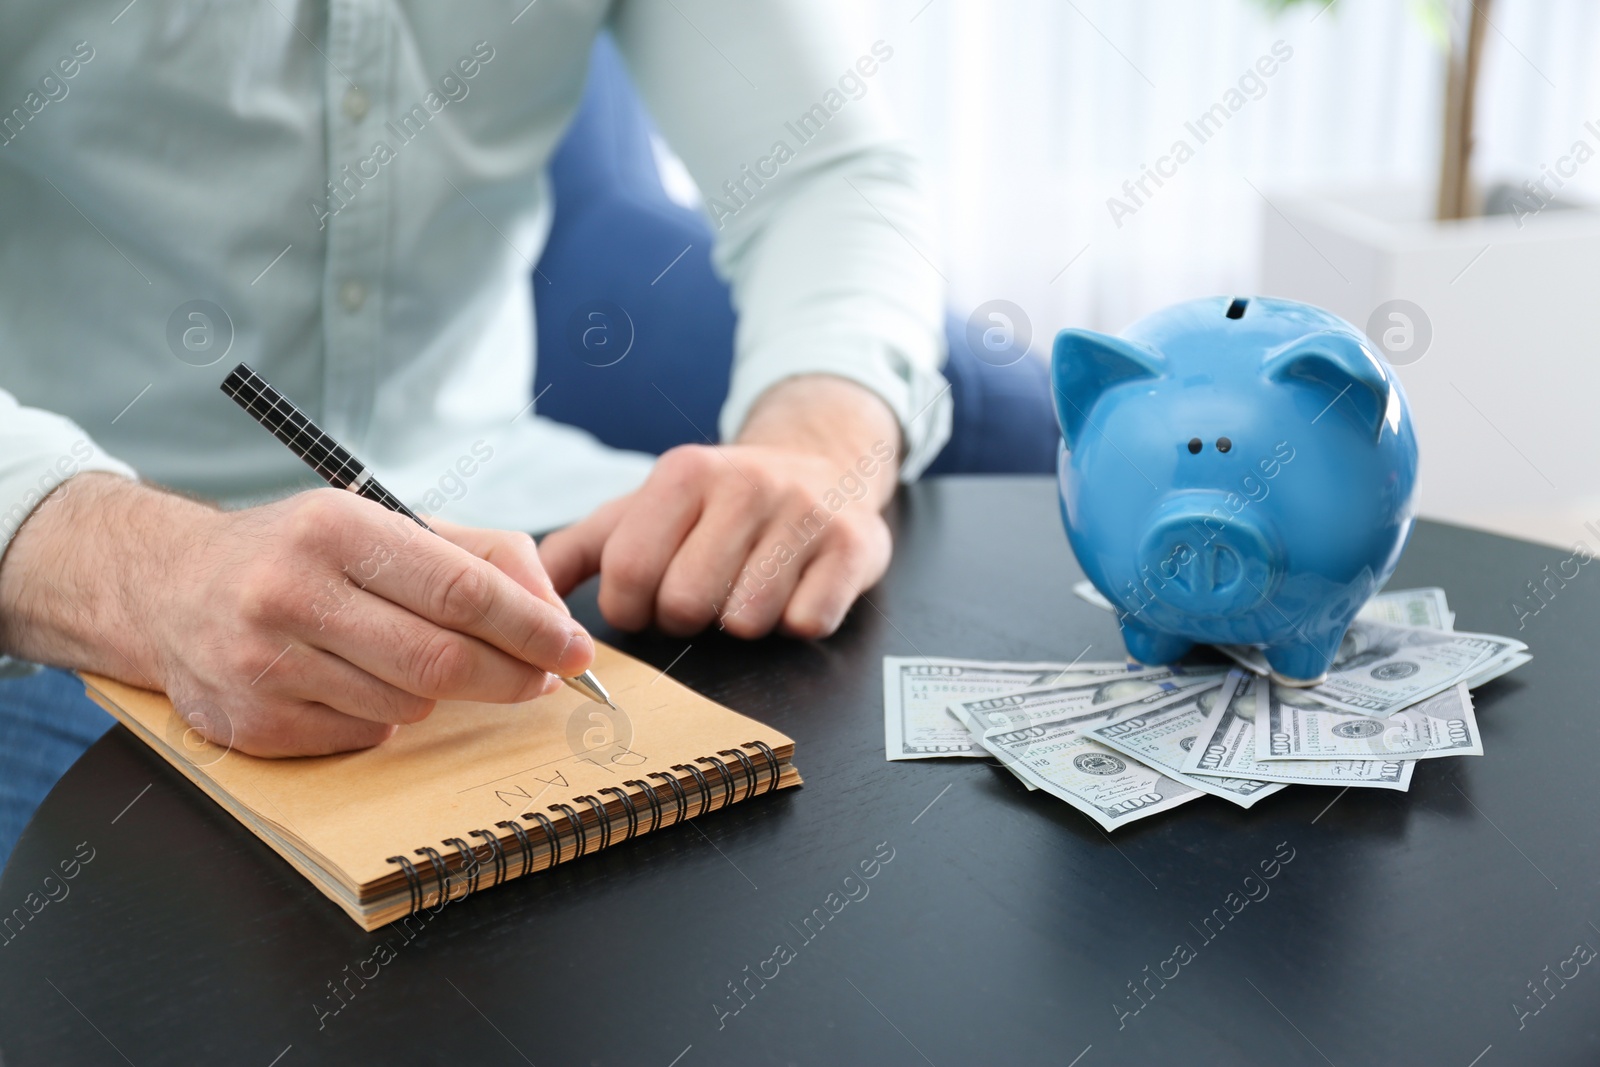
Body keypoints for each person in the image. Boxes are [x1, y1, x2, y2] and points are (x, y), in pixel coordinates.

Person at [0, 1, 949, 863]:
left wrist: (812, 443)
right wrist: (142, 572)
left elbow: (827, 175)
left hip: (521, 514)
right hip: (75, 587)